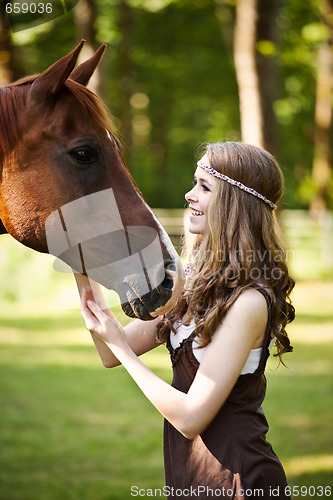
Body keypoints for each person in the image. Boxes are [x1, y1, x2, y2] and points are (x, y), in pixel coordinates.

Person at [80, 141, 295, 500]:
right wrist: (80, 259)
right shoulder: (194, 283)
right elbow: (110, 352)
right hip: (190, 482)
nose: (189, 195)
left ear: (233, 204)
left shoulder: (249, 300)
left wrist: (119, 345)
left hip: (240, 483)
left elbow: (191, 417)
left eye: (204, 187)